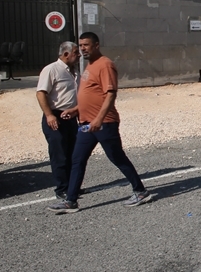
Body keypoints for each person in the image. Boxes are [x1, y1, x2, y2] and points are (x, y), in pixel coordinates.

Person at [48, 32, 151, 213]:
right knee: (77, 160)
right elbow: (91, 95)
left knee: (117, 157)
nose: (83, 49)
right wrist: (76, 110)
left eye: (86, 45)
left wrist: (99, 119)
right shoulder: (90, 66)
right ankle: (71, 201)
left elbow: (110, 94)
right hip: (87, 124)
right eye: (81, 46)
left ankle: (140, 191)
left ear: (96, 45)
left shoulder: (105, 65)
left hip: (104, 123)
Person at [37, 42, 81, 199]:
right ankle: (62, 189)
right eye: (76, 52)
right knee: (59, 154)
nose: (79, 55)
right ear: (66, 54)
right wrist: (49, 115)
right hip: (55, 116)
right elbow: (41, 93)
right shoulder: (51, 70)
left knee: (73, 153)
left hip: (71, 116)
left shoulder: (74, 71)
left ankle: (72, 186)